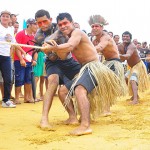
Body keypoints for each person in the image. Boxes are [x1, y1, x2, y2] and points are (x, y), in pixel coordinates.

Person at [42, 12, 124, 136]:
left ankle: (85, 125)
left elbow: (70, 46)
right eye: (60, 25)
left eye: (65, 23)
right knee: (63, 91)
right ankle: (73, 117)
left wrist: (55, 47)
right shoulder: (68, 37)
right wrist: (50, 47)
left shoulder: (77, 33)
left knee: (80, 90)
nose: (63, 26)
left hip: (93, 67)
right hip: (84, 69)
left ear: (72, 22)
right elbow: (63, 55)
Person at [34, 9, 81, 130]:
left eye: (45, 21)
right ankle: (44, 119)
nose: (42, 25)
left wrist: (49, 45)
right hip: (53, 62)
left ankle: (74, 116)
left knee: (83, 80)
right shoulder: (38, 35)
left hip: (68, 60)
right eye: (39, 23)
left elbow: (64, 54)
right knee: (53, 81)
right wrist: (51, 49)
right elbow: (53, 57)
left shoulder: (60, 27)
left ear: (50, 20)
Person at [89, 14, 127, 115]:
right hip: (106, 63)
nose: (94, 28)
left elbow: (100, 48)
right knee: (100, 85)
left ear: (102, 27)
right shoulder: (94, 40)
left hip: (114, 63)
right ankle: (103, 108)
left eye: (97, 26)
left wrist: (87, 50)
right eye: (92, 26)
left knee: (106, 85)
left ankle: (107, 109)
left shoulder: (105, 37)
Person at [0, 10, 25, 108]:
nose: (5, 18)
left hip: (6, 57)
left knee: (8, 79)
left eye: (7, 16)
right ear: (0, 17)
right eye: (3, 16)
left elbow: (14, 43)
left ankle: (6, 100)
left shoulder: (10, 29)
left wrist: (23, 52)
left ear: (9, 19)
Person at [118, 31, 150, 104]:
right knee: (125, 78)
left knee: (132, 79)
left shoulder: (132, 46)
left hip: (138, 66)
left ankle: (135, 100)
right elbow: (122, 58)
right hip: (132, 67)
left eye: (127, 36)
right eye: (124, 36)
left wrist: (118, 55)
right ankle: (135, 95)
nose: (125, 38)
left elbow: (127, 55)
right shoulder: (121, 46)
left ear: (130, 38)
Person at [14, 18, 38, 104]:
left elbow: (35, 50)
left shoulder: (34, 36)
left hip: (29, 60)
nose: (37, 26)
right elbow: (16, 47)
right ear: (29, 25)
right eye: (35, 24)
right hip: (19, 60)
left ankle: (27, 97)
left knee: (28, 79)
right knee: (19, 78)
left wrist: (34, 60)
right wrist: (21, 59)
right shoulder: (20, 34)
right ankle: (16, 98)